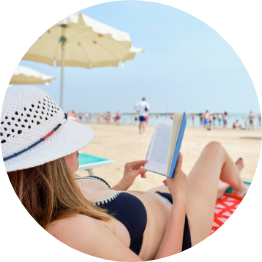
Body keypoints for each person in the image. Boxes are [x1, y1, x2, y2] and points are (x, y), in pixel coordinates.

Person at [4, 86, 250, 261]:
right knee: (214, 149)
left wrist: (121, 183)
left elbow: (98, 217)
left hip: (159, 198)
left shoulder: (48, 193)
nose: (78, 146)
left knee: (204, 186)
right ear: (50, 160)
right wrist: (181, 199)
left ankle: (220, 186)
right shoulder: (71, 232)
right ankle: (238, 187)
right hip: (184, 225)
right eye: (67, 141)